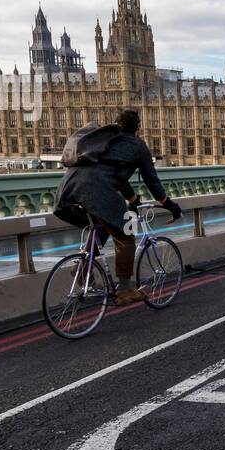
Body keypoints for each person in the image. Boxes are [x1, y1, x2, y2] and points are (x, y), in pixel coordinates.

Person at [54, 109, 182, 306]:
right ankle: (124, 290)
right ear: (137, 128)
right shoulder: (137, 146)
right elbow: (152, 181)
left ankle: (81, 268)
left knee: (103, 224)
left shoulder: (106, 139)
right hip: (96, 190)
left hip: (67, 189)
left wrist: (131, 199)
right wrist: (169, 204)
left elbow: (113, 173)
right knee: (126, 235)